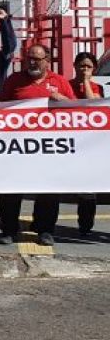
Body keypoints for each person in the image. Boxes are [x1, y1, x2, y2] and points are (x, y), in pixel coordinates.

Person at [0, 44, 76, 246]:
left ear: (46, 60)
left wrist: (64, 100)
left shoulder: (59, 81)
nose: (32, 62)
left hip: (48, 148)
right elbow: (0, 109)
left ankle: (45, 230)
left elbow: (76, 111)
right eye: (29, 58)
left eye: (37, 59)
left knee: (48, 191)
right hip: (17, 147)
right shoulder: (14, 81)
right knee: (11, 191)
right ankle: (8, 230)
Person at [69, 52, 103, 236]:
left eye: (88, 66)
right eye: (81, 66)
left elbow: (93, 104)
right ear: (75, 66)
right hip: (69, 141)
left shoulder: (97, 87)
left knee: (88, 189)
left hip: (89, 145)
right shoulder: (66, 85)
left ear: (93, 69)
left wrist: (87, 82)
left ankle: (85, 225)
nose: (84, 69)